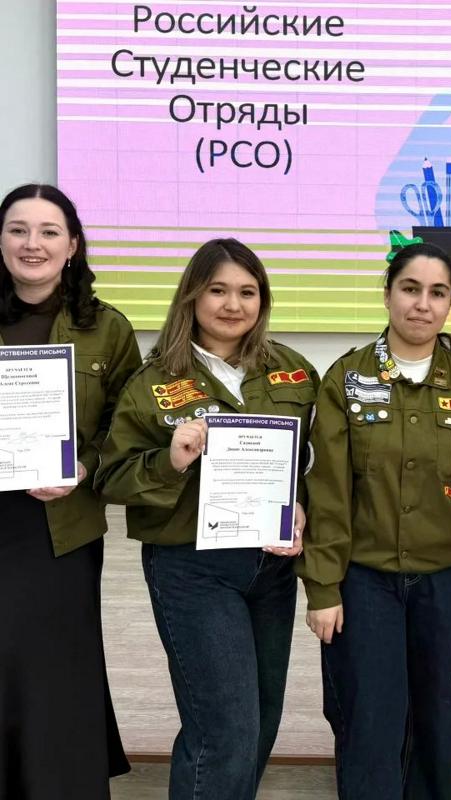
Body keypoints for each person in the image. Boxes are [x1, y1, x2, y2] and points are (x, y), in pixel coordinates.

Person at [95, 238, 318, 800]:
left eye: (247, 292)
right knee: (224, 729)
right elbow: (112, 477)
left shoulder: (295, 372)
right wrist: (170, 460)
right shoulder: (152, 383)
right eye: (217, 290)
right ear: (192, 296)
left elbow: (319, 464)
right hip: (192, 568)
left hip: (271, 568)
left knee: (261, 719)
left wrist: (303, 509)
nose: (233, 305)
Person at [296, 241, 451, 800]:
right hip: (364, 581)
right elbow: (328, 492)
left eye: (438, 292)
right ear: (388, 294)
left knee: (435, 710)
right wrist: (323, 586)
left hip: (446, 581)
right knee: (372, 712)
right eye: (410, 289)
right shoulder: (346, 378)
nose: (423, 304)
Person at [0, 183, 140, 800]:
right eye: (18, 229)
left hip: (62, 528)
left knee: (56, 667)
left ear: (73, 245)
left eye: (48, 231)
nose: (32, 243)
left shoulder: (107, 329)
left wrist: (84, 466)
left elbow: (128, 426)